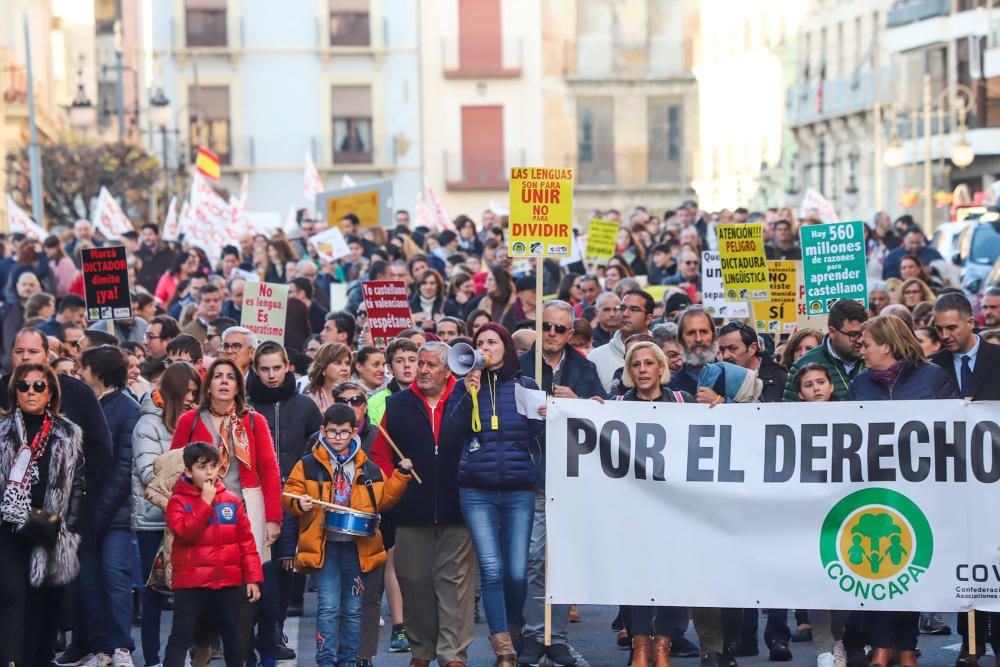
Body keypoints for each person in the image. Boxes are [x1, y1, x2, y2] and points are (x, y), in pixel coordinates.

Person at [845, 315, 958, 667]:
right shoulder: (860, 385)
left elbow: (955, 428)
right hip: (875, 488)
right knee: (878, 569)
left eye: (866, 343)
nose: (860, 350)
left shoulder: (933, 377)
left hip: (923, 488)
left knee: (911, 567)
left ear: (888, 344)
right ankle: (881, 646)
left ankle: (906, 647)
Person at [444, 323, 545, 667]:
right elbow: (449, 434)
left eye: (492, 341)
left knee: (517, 571)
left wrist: (550, 414)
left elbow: (538, 434)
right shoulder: (462, 387)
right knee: (491, 568)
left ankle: (514, 627)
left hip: (518, 489)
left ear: (505, 347)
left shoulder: (525, 385)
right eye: (480, 342)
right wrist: (466, 393)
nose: (486, 347)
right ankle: (503, 647)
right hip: (476, 489)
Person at [370, 342, 476, 667]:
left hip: (458, 509)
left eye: (431, 365)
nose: (424, 370)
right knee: (413, 582)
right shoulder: (398, 404)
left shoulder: (465, 399)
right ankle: (422, 651)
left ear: (447, 371)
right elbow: (379, 455)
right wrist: (394, 487)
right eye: (421, 364)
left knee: (454, 585)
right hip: (410, 512)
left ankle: (453, 655)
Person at [170, 357, 282, 664]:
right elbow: (173, 468)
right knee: (204, 595)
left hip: (246, 513)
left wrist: (273, 518)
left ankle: (246, 655)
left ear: (238, 385)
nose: (223, 381)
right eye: (217, 376)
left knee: (248, 595)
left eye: (230, 377)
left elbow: (269, 470)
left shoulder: (253, 421)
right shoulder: (190, 422)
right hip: (202, 515)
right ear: (208, 385)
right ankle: (203, 648)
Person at [283, 403, 413, 667]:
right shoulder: (307, 464)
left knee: (354, 609)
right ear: (322, 431)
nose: (338, 438)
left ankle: (349, 660)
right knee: (329, 606)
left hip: (357, 547)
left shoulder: (369, 468)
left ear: (354, 432)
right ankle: (326, 660)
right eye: (332, 432)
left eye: (343, 433)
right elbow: (289, 494)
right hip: (325, 546)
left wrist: (401, 475)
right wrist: (300, 503)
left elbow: (384, 500)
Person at [927, 292, 1000, 663]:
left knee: (995, 557)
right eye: (939, 329)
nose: (945, 335)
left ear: (972, 323)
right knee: (964, 558)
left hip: (995, 478)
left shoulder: (997, 359)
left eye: (952, 327)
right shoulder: (933, 365)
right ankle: (970, 642)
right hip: (953, 477)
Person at [0, 363, 86, 667]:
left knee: (40, 605)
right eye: (24, 386)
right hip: (7, 529)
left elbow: (79, 482)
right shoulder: (3, 430)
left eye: (39, 386)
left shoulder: (68, 432)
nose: (31, 392)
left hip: (47, 531)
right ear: (15, 392)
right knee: (12, 597)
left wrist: (68, 526)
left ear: (50, 393)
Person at [616, 341, 696, 667]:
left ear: (662, 368)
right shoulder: (617, 405)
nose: (643, 370)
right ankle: (640, 646)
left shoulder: (682, 401)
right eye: (636, 365)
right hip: (633, 508)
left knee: (673, 575)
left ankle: (663, 645)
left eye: (649, 363)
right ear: (629, 371)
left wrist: (720, 406)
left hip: (674, 508)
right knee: (636, 575)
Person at [247, 341, 323, 662]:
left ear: (288, 367)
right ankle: (248, 631)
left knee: (283, 566)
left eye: (276, 368)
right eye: (264, 369)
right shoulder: (247, 406)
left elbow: (318, 449)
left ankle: (273, 632)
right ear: (255, 370)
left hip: (293, 498)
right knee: (255, 566)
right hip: (254, 497)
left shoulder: (305, 405)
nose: (271, 375)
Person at [162, 442, 264, 667]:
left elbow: (246, 543)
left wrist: (253, 579)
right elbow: (186, 534)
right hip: (191, 584)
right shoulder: (178, 501)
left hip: (226, 582)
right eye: (201, 467)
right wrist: (205, 503)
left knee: (233, 637)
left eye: (213, 466)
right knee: (182, 636)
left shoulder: (231, 501)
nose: (209, 472)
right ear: (188, 471)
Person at [131, 361, 201, 667]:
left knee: (186, 592)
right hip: (153, 519)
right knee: (153, 593)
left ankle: (180, 655)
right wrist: (187, 485)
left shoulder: (195, 422)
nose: (191, 398)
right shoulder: (147, 424)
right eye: (187, 392)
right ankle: (152, 659)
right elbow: (149, 473)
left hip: (186, 518)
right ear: (173, 391)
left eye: (195, 393)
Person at [76, 345, 142, 667]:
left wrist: (99, 513)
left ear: (98, 371)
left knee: (115, 576)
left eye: (83, 367)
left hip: (115, 514)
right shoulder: (86, 405)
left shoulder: (128, 409)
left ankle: (121, 647)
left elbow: (123, 469)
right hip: (84, 511)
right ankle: (101, 647)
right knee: (89, 581)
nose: (79, 373)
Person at [783, 299, 869, 401]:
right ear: (832, 332)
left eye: (862, 334)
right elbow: (789, 412)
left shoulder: (876, 359)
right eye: (853, 335)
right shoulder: (803, 364)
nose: (859, 341)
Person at [589, 290, 654, 393]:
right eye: (622, 308)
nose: (625, 314)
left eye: (634, 309)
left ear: (648, 319)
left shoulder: (663, 353)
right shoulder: (596, 357)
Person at [367, 338, 418, 428]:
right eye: (399, 361)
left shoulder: (431, 398)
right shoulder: (374, 403)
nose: (407, 365)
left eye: (412, 360)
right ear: (390, 368)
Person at [307, 343, 354, 412]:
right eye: (337, 363)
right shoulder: (311, 400)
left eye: (347, 363)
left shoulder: (357, 397)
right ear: (323, 368)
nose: (344, 368)